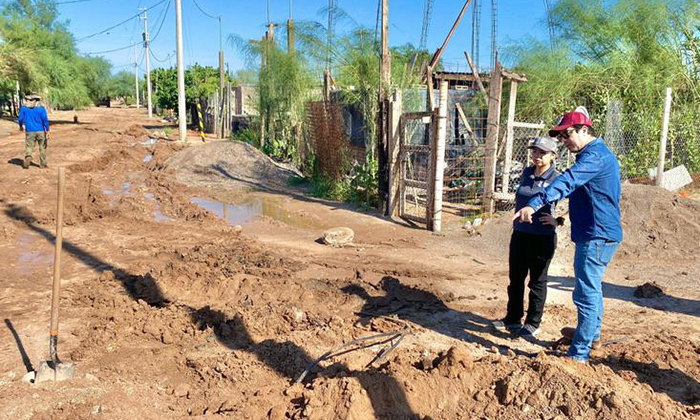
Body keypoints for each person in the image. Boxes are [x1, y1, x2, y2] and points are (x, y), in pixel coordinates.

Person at [513, 108, 622, 362]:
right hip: (598, 232)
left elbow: (567, 182)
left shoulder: (593, 158)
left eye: (567, 134)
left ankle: (579, 352)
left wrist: (534, 204)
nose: (564, 141)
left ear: (585, 130)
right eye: (561, 136)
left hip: (596, 235)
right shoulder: (594, 155)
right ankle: (591, 336)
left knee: (585, 292)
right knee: (592, 289)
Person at [494, 137, 564, 339]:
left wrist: (558, 220)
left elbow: (574, 204)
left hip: (542, 238)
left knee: (537, 282)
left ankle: (533, 323)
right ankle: (512, 319)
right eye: (534, 151)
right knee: (515, 279)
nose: (537, 156)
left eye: (542, 152)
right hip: (520, 234)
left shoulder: (558, 178)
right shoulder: (526, 173)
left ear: (553, 155)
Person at [18, 93, 50, 169]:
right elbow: (45, 120)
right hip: (41, 131)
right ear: (37, 100)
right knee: (42, 147)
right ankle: (43, 164)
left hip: (29, 131)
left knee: (29, 146)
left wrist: (20, 126)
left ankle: (28, 156)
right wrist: (47, 130)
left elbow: (20, 119)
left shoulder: (24, 108)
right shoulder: (41, 109)